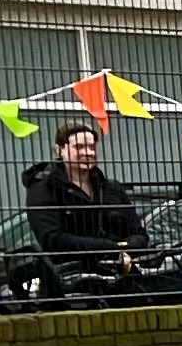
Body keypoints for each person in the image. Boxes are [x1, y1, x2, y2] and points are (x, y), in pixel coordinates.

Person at [22, 121, 151, 300]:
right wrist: (113, 248)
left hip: (121, 282)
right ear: (59, 151)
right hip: (70, 285)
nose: (87, 152)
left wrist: (126, 249)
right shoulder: (43, 189)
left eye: (91, 147)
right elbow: (52, 239)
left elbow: (139, 234)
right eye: (79, 147)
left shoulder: (111, 188)